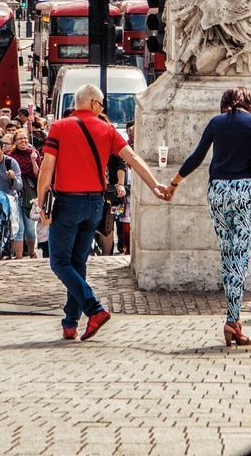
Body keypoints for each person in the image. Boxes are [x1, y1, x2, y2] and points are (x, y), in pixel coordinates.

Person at [36, 82, 168, 342]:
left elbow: (47, 169)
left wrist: (41, 204)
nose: (103, 108)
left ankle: (94, 309)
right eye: (102, 104)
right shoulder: (107, 129)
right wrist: (155, 185)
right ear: (94, 104)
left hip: (68, 203)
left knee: (60, 262)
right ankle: (70, 323)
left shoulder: (60, 127)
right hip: (95, 204)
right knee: (77, 263)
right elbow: (132, 159)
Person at [165, 88, 251, 347]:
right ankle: (232, 319)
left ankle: (234, 320)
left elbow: (196, 157)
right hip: (244, 192)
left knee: (227, 253)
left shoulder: (216, 122)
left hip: (217, 191)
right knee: (240, 255)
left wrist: (174, 183)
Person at [7, 127, 41, 258]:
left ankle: (32, 252)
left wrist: (33, 160)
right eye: (20, 138)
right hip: (16, 193)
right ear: (15, 141)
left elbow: (37, 174)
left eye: (25, 138)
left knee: (30, 229)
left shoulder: (33, 153)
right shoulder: (10, 156)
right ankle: (19, 257)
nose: (24, 140)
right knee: (19, 228)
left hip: (30, 194)